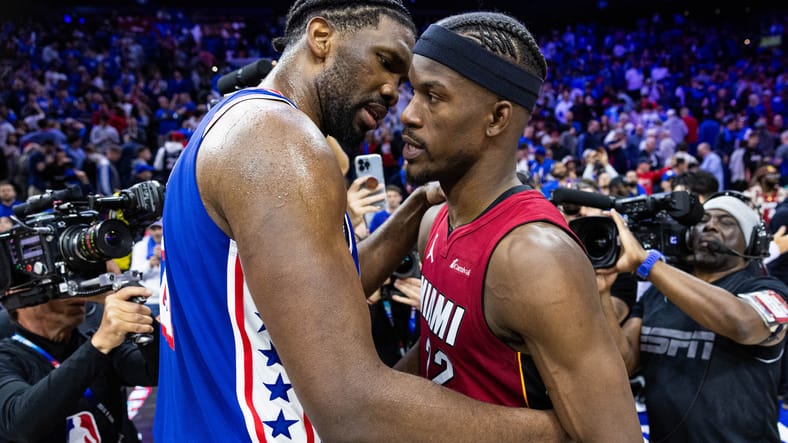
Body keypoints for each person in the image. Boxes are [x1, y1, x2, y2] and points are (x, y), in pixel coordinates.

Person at [155, 2, 569, 442]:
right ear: (321, 38)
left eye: (402, 80)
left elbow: (325, 294)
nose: (394, 93)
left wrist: (415, 208)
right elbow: (354, 407)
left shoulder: (238, 120)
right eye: (386, 62)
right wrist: (561, 432)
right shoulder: (283, 143)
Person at [396, 12, 641, 442]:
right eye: (412, 92)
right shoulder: (435, 220)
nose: (408, 115)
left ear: (496, 118)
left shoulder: (535, 258)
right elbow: (442, 353)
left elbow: (613, 436)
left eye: (432, 97)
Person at [596, 193, 788, 442]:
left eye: (727, 222)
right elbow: (624, 362)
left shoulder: (769, 290)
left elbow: (742, 323)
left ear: (751, 244)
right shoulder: (658, 291)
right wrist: (602, 292)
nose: (709, 225)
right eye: (704, 219)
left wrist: (648, 264)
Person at [0, 285, 158, 442]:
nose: (71, 292)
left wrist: (137, 312)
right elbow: (21, 425)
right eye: (54, 284)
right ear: (17, 293)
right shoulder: (7, 358)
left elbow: (154, 372)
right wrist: (98, 345)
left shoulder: (94, 339)